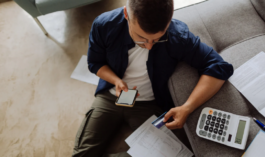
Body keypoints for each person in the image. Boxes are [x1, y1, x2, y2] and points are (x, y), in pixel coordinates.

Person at [72, 0, 233, 156]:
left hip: (149, 105)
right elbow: (94, 63)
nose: (149, 46)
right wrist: (116, 80)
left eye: (157, 39)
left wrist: (187, 107)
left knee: (177, 153)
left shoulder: (178, 36)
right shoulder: (104, 24)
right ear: (126, 13)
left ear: (169, 21)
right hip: (110, 96)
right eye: (140, 38)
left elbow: (219, 67)